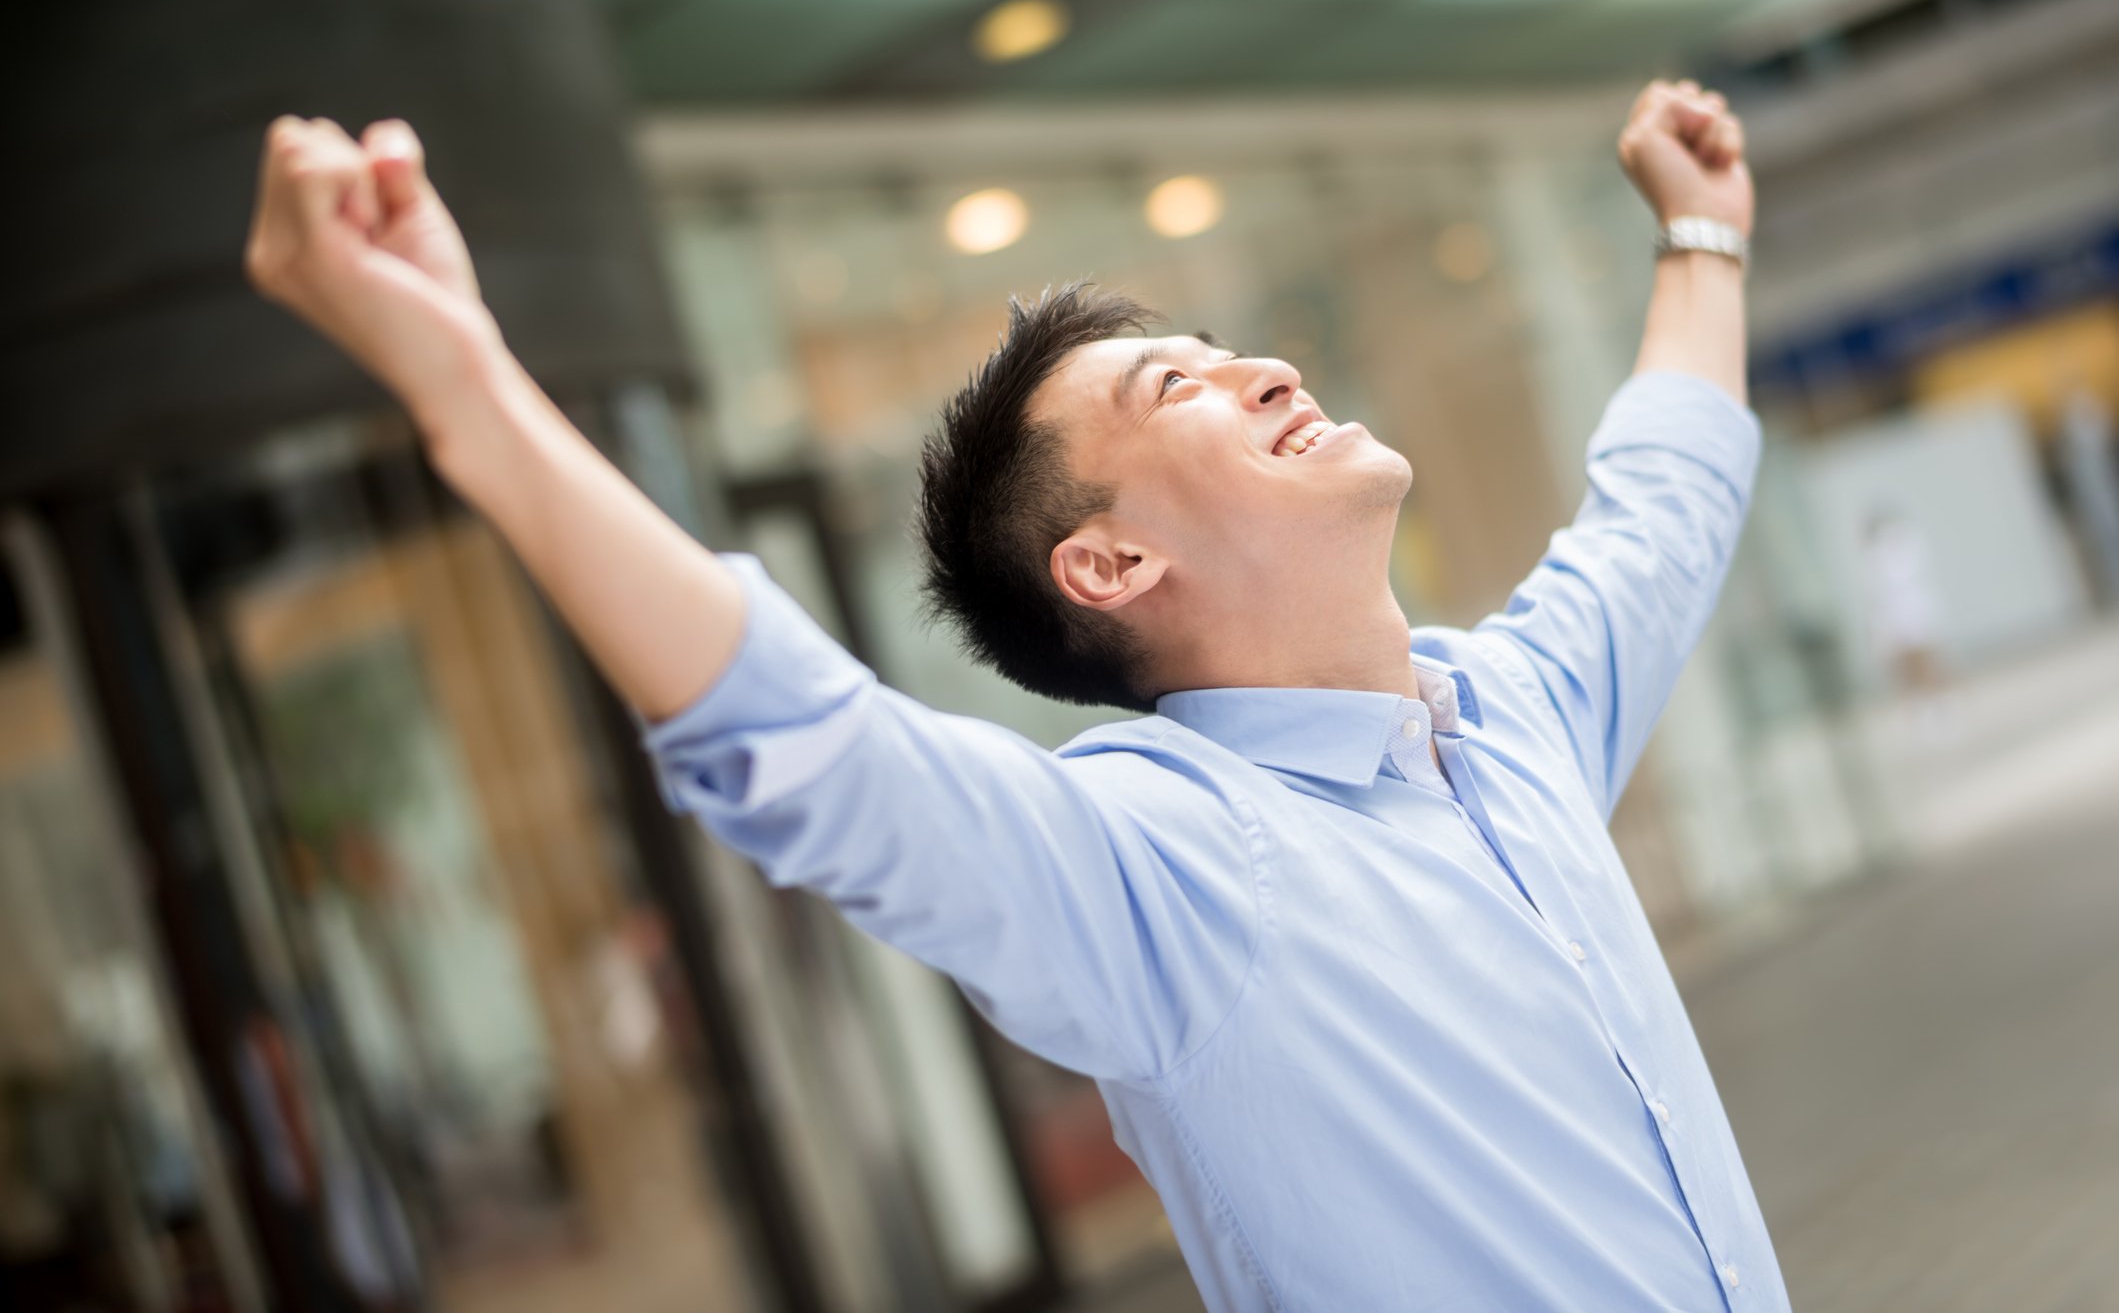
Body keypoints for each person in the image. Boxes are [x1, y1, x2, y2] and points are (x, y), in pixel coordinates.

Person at [245, 77, 1786, 1311]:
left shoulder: (1512, 714)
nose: (1257, 368)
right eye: (1171, 386)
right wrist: (468, 389)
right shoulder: (1164, 872)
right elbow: (815, 748)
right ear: (1106, 563)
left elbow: (1665, 501)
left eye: (1218, 347)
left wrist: (1703, 236)